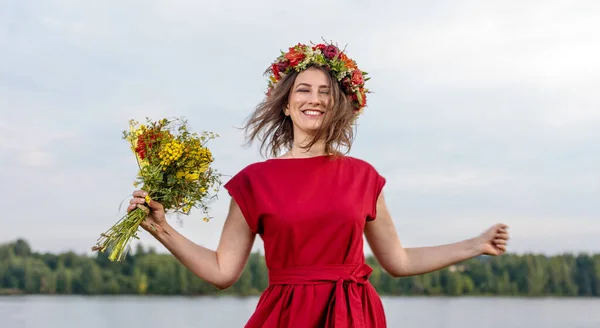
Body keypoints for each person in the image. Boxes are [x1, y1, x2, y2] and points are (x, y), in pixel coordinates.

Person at [127, 41, 510, 327]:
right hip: (286, 316)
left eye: (326, 92)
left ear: (339, 104)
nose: (315, 100)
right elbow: (223, 272)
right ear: (286, 104)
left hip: (353, 315)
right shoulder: (254, 182)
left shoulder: (363, 176)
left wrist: (475, 244)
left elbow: (399, 261)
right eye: (304, 90)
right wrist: (161, 229)